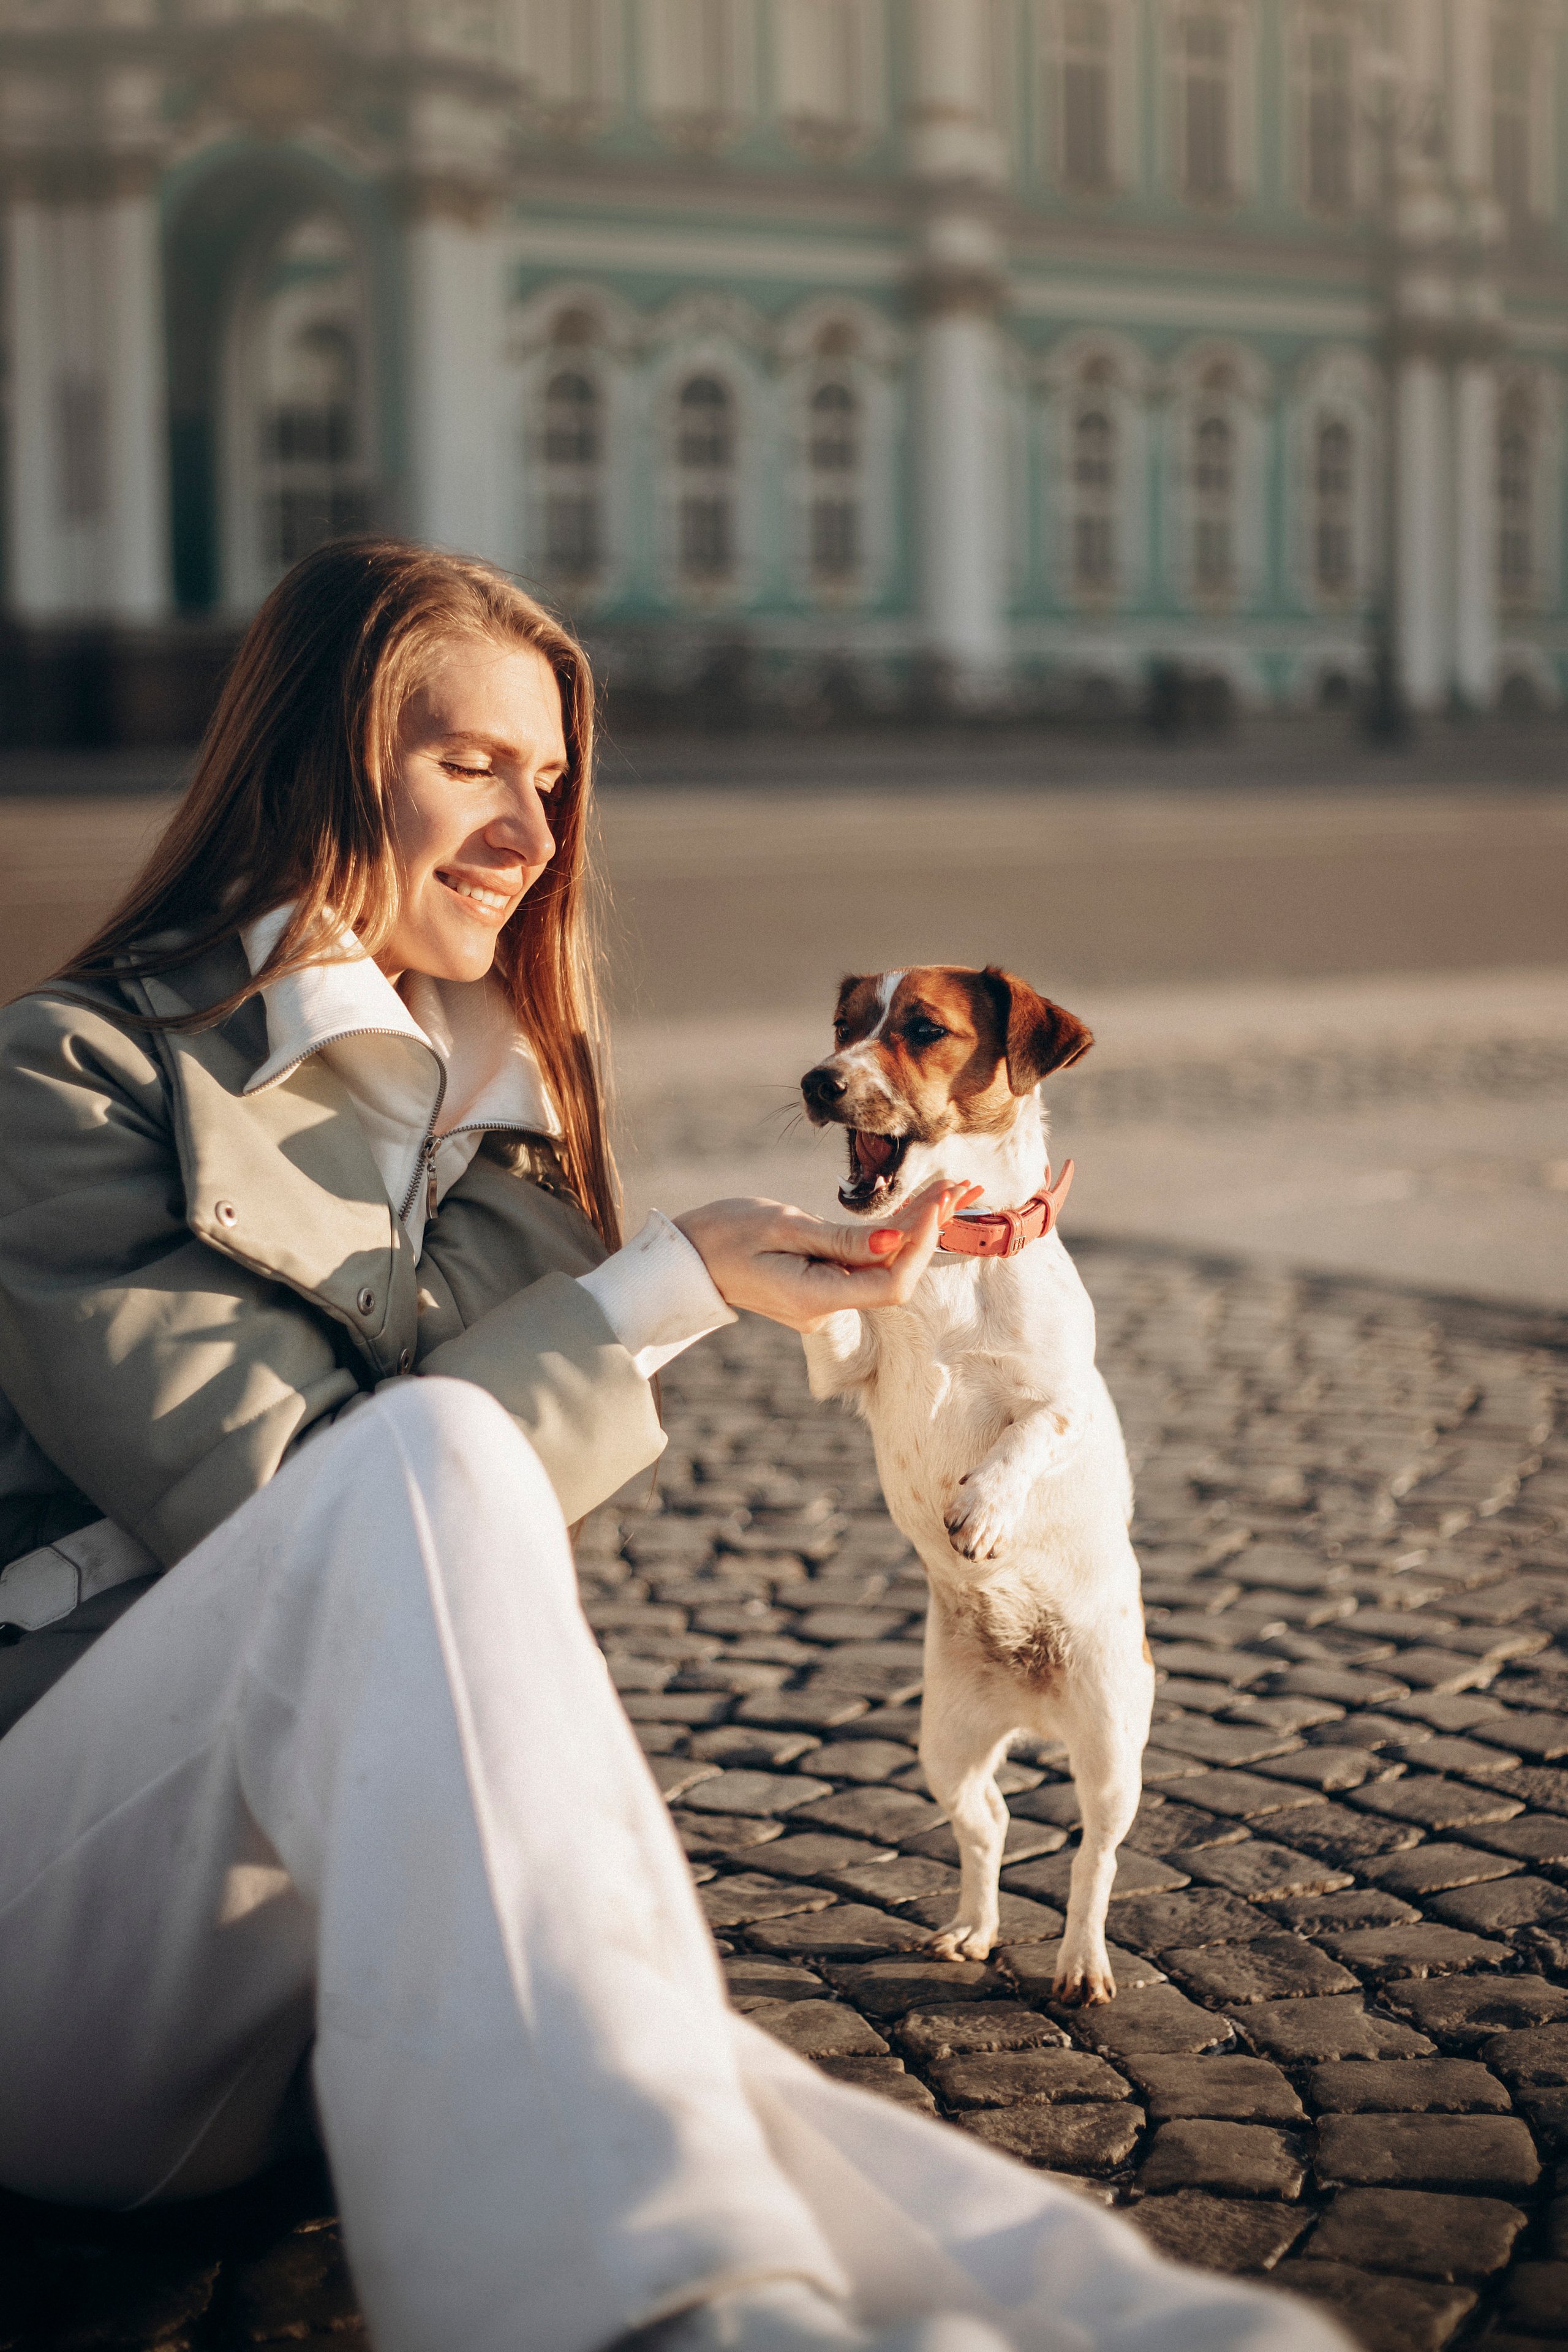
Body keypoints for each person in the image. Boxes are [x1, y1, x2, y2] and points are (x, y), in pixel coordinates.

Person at [0, 543, 1346, 2352]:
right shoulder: (70, 1078)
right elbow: (310, 1513)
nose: (531, 834)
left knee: (660, 2073)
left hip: (338, 1984)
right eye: (468, 765)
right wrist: (661, 1288)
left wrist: (687, 1274)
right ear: (312, 763)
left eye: (552, 784)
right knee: (433, 1492)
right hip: (76, 1940)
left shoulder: (510, 1122)